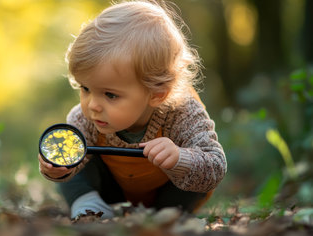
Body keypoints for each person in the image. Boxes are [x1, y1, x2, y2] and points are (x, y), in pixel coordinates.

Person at [38, 0, 227, 219]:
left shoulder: (183, 112)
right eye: (86, 88)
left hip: (167, 194)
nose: (92, 105)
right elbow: (63, 166)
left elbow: (216, 166)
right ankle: (88, 204)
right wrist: (55, 169)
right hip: (111, 189)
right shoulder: (86, 117)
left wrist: (179, 158)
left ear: (157, 94)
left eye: (110, 95)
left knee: (192, 180)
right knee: (75, 150)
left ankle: (168, 215)